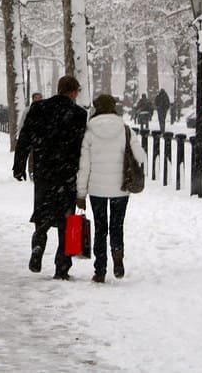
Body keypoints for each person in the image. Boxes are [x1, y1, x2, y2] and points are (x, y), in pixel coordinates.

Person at [13, 76, 87, 279]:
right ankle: (62, 266)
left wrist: (19, 165)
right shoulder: (79, 114)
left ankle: (38, 246)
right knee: (68, 219)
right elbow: (83, 146)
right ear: (73, 92)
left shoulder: (39, 109)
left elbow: (25, 138)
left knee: (43, 213)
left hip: (44, 171)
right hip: (68, 173)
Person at [76, 94, 146, 283]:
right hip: (120, 188)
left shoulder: (89, 132)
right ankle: (117, 257)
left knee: (100, 228)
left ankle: (100, 270)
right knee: (117, 225)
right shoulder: (125, 130)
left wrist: (81, 193)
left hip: (97, 189)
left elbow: (84, 166)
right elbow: (141, 157)